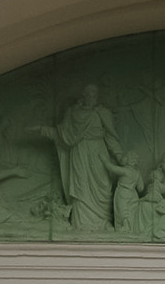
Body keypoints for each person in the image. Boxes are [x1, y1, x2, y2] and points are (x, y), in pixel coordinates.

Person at [36, 84, 124, 233]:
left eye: (94, 94)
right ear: (83, 95)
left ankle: (104, 222)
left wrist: (120, 156)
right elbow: (62, 134)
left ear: (97, 96)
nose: (91, 96)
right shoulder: (72, 113)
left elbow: (110, 137)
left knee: (103, 186)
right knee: (80, 186)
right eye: (88, 93)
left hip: (98, 153)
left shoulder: (102, 113)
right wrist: (42, 130)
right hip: (79, 153)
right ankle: (80, 223)